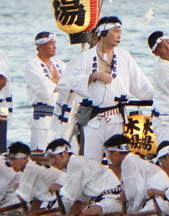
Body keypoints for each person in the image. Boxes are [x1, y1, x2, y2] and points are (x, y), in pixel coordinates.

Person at [64, 17, 154, 161]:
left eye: (120, 32)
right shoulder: (86, 57)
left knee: (118, 161)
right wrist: (93, 76)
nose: (119, 35)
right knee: (91, 162)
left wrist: (159, 98)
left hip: (116, 118)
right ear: (103, 33)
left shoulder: (124, 56)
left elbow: (141, 84)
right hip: (93, 119)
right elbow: (73, 82)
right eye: (116, 31)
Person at [44, 138, 124, 216]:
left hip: (111, 199)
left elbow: (67, 197)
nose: (52, 162)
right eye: (50, 158)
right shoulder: (73, 165)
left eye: (54, 157)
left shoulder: (76, 163)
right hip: (103, 200)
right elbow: (79, 199)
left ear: (65, 153)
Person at [103, 134, 169, 214]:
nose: (109, 159)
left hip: (158, 202)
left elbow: (133, 194)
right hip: (162, 201)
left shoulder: (128, 161)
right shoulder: (133, 159)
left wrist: (124, 197)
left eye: (109, 154)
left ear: (115, 153)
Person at [24, 32, 68, 152]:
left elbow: (69, 84)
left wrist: (52, 81)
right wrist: (58, 82)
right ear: (41, 46)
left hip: (60, 116)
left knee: (61, 152)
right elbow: (44, 88)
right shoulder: (32, 65)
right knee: (40, 152)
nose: (54, 46)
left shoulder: (60, 64)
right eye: (50, 43)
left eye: (54, 43)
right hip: (43, 115)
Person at [6, 141, 61, 210]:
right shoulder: (32, 167)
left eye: (14, 159)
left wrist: (1, 212)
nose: (11, 163)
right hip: (57, 197)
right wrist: (31, 213)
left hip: (64, 196)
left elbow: (20, 198)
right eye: (10, 159)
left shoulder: (30, 169)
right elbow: (38, 196)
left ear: (25, 158)